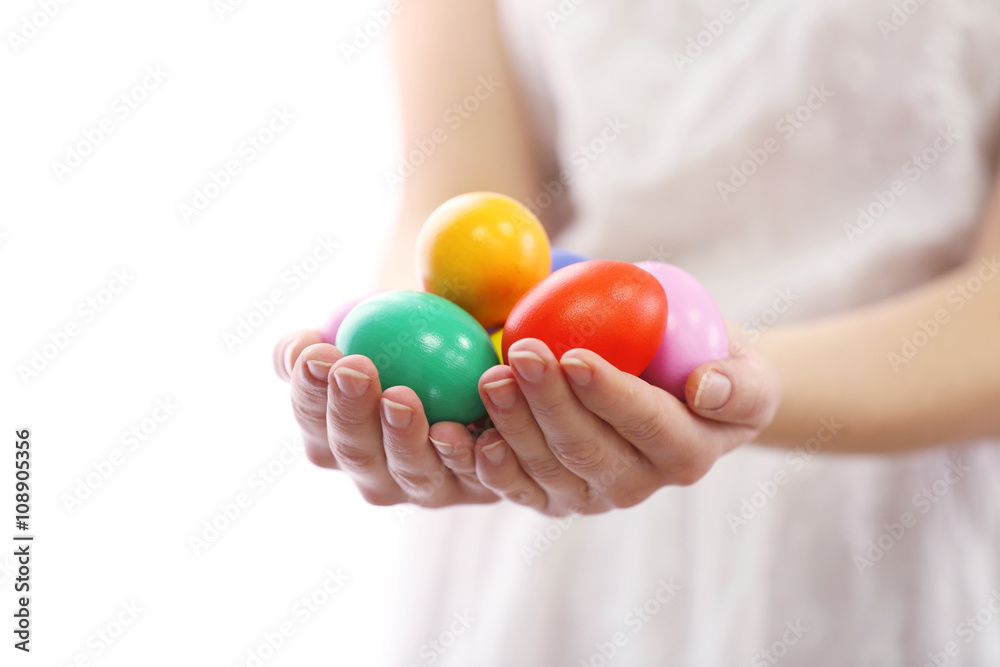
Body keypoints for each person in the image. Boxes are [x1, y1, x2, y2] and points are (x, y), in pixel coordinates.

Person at [274, 0, 1000, 663]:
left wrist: (723, 379)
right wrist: (406, 369)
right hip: (536, 477)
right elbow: (452, 212)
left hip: (872, 526)